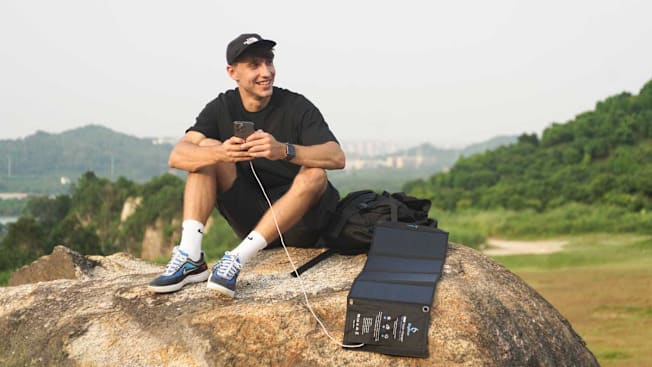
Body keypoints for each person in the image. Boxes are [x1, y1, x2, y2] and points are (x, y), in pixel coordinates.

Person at [148, 33, 345, 297]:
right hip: (251, 216)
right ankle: (190, 256)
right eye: (254, 65)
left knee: (315, 174)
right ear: (233, 72)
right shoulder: (222, 106)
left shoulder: (296, 106)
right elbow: (178, 156)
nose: (266, 72)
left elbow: (336, 157)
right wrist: (221, 152)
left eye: (269, 62)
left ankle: (237, 259)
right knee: (205, 151)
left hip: (299, 225)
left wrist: (283, 150)